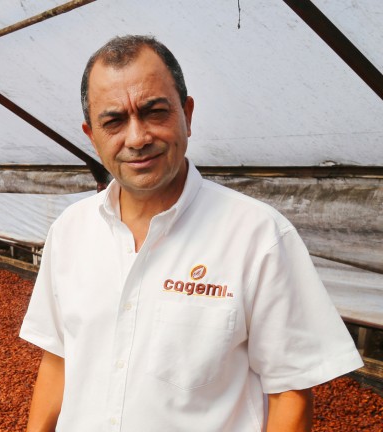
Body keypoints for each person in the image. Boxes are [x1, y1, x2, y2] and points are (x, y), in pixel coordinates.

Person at [19, 35, 363, 431]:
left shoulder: (257, 235)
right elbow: (58, 361)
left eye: (154, 111)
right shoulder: (69, 231)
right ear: (91, 135)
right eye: (114, 121)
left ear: (187, 114)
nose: (137, 138)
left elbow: (290, 395)